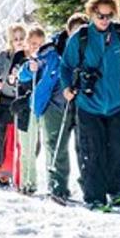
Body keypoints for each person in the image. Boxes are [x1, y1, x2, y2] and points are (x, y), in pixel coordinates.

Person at [61, 0, 120, 211]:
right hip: (89, 105)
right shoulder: (80, 38)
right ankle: (95, 197)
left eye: (109, 16)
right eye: (100, 15)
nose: (105, 20)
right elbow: (65, 66)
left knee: (119, 149)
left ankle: (115, 190)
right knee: (93, 151)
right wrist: (67, 87)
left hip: (118, 104)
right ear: (91, 14)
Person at [28, 13, 86, 203]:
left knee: (85, 147)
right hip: (54, 105)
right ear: (68, 31)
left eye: (82, 30)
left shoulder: (92, 49)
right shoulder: (51, 51)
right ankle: (57, 187)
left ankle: (90, 188)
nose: (78, 34)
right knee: (56, 145)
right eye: (75, 30)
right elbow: (28, 70)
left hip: (81, 106)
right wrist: (31, 68)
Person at [0, 23, 27, 187]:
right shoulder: (4, 56)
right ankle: (0, 170)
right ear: (10, 40)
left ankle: (16, 172)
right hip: (3, 99)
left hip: (20, 100)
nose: (18, 41)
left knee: (15, 138)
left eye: (21, 38)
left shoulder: (27, 56)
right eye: (15, 38)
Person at [13, 25, 49, 195]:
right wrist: (29, 69)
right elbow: (20, 76)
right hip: (25, 110)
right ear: (27, 43)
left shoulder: (46, 62)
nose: (37, 47)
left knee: (36, 147)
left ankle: (36, 181)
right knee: (26, 148)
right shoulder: (24, 61)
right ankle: (27, 182)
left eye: (40, 44)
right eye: (33, 43)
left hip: (39, 109)